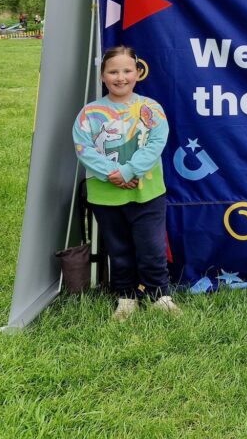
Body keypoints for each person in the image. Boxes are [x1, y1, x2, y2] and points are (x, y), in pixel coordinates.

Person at [72, 45, 180, 321]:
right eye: (113, 71)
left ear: (138, 73)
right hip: (106, 195)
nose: (120, 77)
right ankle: (126, 297)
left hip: (147, 193)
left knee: (151, 247)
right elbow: (84, 148)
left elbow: (156, 143)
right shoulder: (90, 113)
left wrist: (130, 171)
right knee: (118, 249)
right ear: (103, 76)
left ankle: (159, 296)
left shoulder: (150, 108)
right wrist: (112, 173)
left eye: (127, 71)